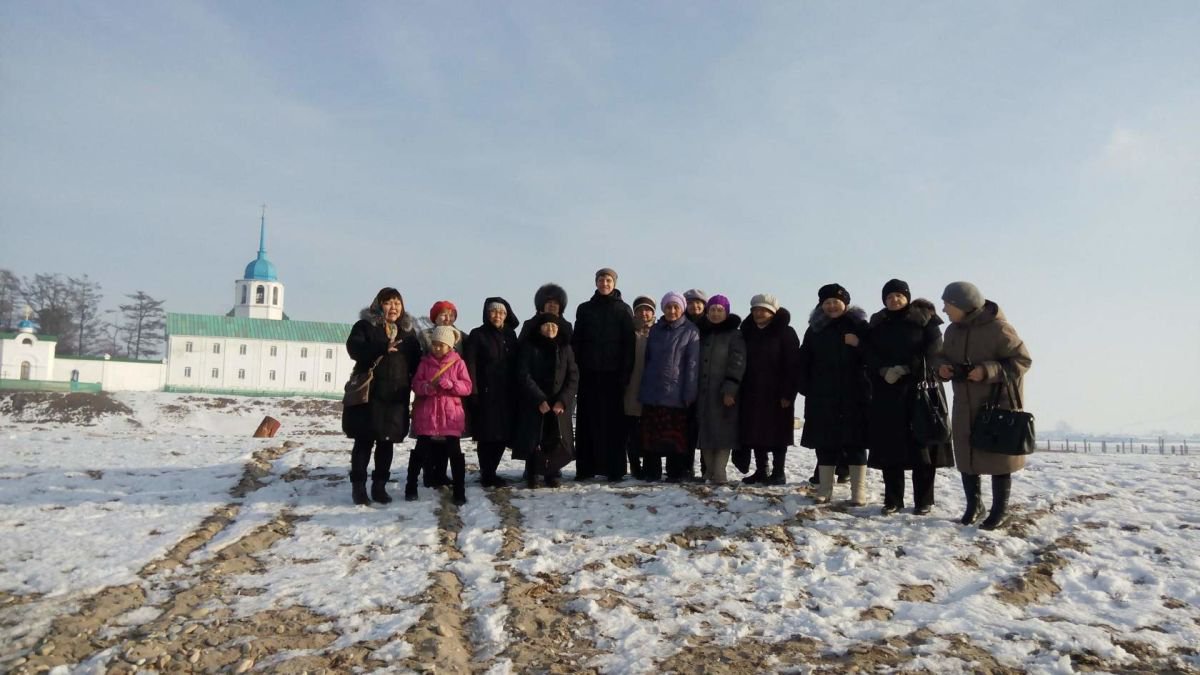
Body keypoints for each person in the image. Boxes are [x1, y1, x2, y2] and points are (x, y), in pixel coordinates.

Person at [935, 281, 1032, 530]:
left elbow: (1022, 360)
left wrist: (986, 371)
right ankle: (974, 505)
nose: (944, 310)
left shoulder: (999, 329)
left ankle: (1000, 510)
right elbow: (941, 357)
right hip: (964, 403)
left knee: (998, 458)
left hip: (997, 405)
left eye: (947, 304)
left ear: (962, 304)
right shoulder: (952, 331)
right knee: (966, 455)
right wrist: (942, 368)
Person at [863, 279, 953, 515]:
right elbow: (868, 353)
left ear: (907, 298)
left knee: (922, 447)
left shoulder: (925, 320)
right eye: (889, 296)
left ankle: (924, 500)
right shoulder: (878, 323)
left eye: (899, 296)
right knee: (890, 447)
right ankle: (893, 499)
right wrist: (883, 370)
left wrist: (907, 368)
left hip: (920, 391)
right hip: (887, 391)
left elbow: (934, 351)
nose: (894, 300)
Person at [342, 287, 421, 505]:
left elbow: (416, 362)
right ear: (378, 305)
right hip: (369, 396)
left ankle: (379, 486)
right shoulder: (365, 326)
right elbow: (354, 348)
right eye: (388, 302)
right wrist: (382, 347)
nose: (393, 307)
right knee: (364, 441)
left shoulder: (408, 332)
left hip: (396, 397)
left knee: (387, 443)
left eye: (397, 303)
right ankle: (359, 487)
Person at [798, 284, 871, 505]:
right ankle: (825, 489)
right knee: (825, 443)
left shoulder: (859, 325)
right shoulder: (815, 329)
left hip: (855, 394)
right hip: (822, 395)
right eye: (827, 302)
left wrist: (858, 344)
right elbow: (804, 359)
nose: (831, 306)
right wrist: (805, 386)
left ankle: (858, 491)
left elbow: (875, 355)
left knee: (856, 442)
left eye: (835, 302)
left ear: (845, 303)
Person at [572, 268, 635, 481]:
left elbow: (629, 345)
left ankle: (614, 470)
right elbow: (577, 341)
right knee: (587, 424)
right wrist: (577, 371)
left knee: (614, 425)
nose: (604, 284)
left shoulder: (623, 309)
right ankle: (585, 469)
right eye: (601, 280)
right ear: (596, 282)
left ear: (614, 283)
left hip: (614, 376)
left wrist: (625, 375)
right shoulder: (585, 309)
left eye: (608, 280)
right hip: (588, 374)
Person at [737, 293, 799, 485]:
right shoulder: (747, 332)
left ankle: (779, 471)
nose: (759, 313)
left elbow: (792, 365)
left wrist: (788, 393)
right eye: (755, 309)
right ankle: (761, 470)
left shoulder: (786, 333)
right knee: (755, 432)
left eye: (763, 310)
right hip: (752, 391)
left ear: (773, 312)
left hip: (778, 392)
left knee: (778, 433)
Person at [639, 292, 700, 481]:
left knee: (674, 437)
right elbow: (647, 359)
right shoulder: (655, 330)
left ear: (682, 309)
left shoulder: (690, 331)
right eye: (668, 307)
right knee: (652, 435)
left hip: (675, 393)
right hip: (652, 391)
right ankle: (651, 471)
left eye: (676, 307)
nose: (672, 311)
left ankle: (675, 472)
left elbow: (692, 365)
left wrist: (689, 393)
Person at [513, 313, 579, 489]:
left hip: (558, 404)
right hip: (535, 402)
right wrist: (539, 399)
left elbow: (573, 376)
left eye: (554, 326)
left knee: (554, 439)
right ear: (539, 328)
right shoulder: (529, 346)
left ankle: (552, 473)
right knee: (534, 439)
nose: (550, 329)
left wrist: (563, 400)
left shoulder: (565, 348)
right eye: (547, 325)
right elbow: (523, 374)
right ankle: (533, 474)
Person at [410, 326, 473, 505]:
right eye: (435, 344)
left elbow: (467, 387)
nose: (437, 348)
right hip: (428, 414)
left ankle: (459, 491)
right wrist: (426, 387)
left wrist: (451, 384)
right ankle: (410, 486)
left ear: (450, 346)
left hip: (450, 415)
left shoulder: (458, 363)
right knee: (420, 451)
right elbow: (416, 384)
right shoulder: (425, 363)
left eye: (441, 345)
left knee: (455, 453)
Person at [464, 297, 519, 488]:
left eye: (501, 312)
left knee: (502, 435)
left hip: (507, 393)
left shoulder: (510, 335)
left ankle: (492, 470)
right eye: (494, 312)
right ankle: (487, 473)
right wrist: (473, 390)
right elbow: (470, 363)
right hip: (485, 392)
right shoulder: (478, 334)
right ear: (487, 314)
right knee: (486, 434)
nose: (497, 315)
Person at [695, 294, 745, 484]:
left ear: (726, 312)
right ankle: (709, 471)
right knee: (706, 431)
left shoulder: (735, 335)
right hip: (703, 392)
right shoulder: (701, 332)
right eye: (712, 310)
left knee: (723, 433)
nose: (716, 313)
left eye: (720, 310)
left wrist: (730, 388)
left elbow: (738, 362)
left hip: (724, 392)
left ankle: (719, 471)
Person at [420, 300, 464, 488]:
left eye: (451, 315)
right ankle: (429, 473)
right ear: (435, 317)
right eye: (443, 314)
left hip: (450, 398)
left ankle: (442, 473)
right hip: (429, 398)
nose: (448, 318)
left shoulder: (460, 337)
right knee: (428, 439)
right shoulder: (424, 336)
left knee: (447, 438)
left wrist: (454, 385)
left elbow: (463, 374)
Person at [623, 295, 656, 480]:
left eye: (647, 310)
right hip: (631, 386)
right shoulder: (628, 333)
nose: (644, 313)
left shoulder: (659, 332)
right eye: (640, 310)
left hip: (652, 388)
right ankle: (635, 466)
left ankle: (650, 466)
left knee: (650, 430)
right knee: (632, 431)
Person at [682, 288, 708, 479]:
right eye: (690, 303)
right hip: (685, 381)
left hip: (707, 381)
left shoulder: (712, 324)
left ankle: (707, 467)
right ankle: (687, 466)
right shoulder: (680, 324)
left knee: (706, 426)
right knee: (687, 427)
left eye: (698, 302)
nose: (694, 306)